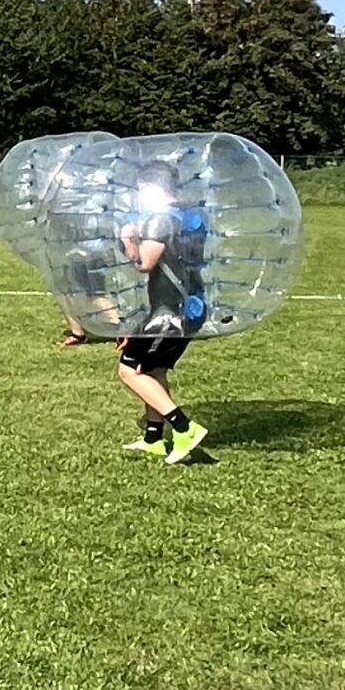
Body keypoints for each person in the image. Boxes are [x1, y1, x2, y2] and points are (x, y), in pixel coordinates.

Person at [115, 162, 211, 464]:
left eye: (142, 190)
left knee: (129, 370)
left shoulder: (161, 220)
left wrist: (129, 240)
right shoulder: (190, 216)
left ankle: (184, 429)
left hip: (170, 313)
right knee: (154, 371)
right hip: (189, 307)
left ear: (153, 189)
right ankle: (154, 438)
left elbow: (144, 264)